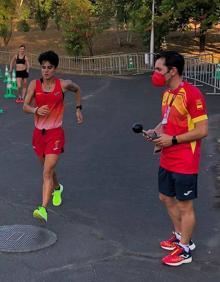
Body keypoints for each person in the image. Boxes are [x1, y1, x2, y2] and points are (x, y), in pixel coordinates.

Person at [144, 51, 208, 266]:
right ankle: (180, 237)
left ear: (172, 71)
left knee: (184, 206)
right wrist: (154, 132)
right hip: (167, 157)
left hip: (185, 160)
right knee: (165, 198)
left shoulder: (192, 94)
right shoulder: (167, 94)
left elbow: (202, 130)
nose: (155, 74)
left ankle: (185, 250)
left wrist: (172, 140)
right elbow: (165, 121)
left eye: (158, 70)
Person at [23, 50, 83, 223]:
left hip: (55, 133)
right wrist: (35, 110)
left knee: (47, 171)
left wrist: (78, 109)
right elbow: (25, 106)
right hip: (38, 135)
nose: (46, 70)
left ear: (55, 68)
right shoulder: (35, 85)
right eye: (43, 67)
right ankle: (57, 188)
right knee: (47, 170)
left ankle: (43, 208)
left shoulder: (63, 85)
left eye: (49, 67)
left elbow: (77, 89)